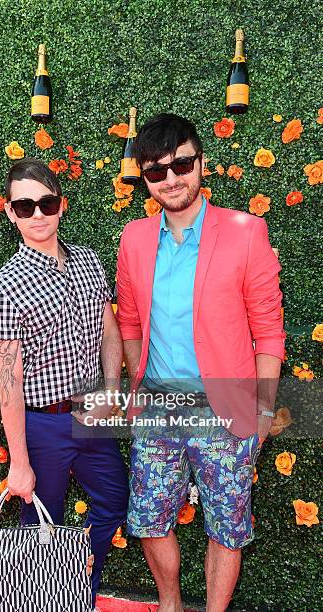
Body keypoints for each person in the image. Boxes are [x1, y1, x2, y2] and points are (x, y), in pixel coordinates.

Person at [116, 114, 285, 612]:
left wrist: (264, 408)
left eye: (181, 163)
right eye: (156, 171)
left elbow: (268, 330)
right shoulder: (134, 239)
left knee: (226, 528)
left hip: (227, 409)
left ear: (200, 163)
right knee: (149, 518)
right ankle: (169, 604)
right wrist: (135, 387)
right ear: (145, 179)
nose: (171, 178)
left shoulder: (245, 231)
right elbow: (128, 322)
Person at [0, 158, 129, 611]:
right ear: (11, 213)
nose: (38, 214)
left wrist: (109, 389)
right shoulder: (4, 287)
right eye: (25, 206)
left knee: (114, 501)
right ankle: (43, 600)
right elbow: (9, 385)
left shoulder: (88, 260)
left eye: (46, 202)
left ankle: (78, 591)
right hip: (43, 425)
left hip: (93, 419)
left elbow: (108, 329)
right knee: (37, 527)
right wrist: (19, 463)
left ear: (61, 205)